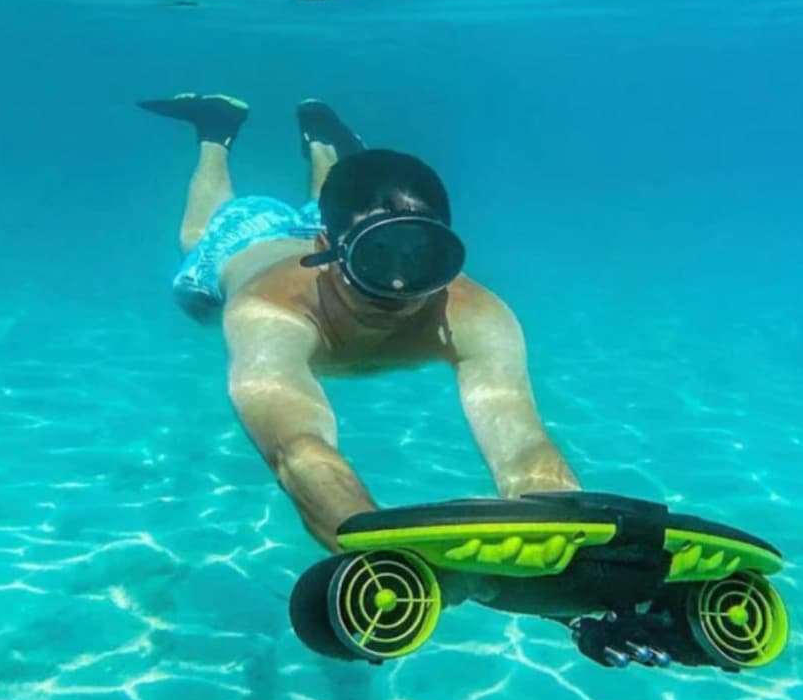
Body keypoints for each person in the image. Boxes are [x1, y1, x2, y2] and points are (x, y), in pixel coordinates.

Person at [139, 93, 582, 551]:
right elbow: (297, 449)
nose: (396, 284)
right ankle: (217, 131)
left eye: (419, 258)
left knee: (336, 209)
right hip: (249, 241)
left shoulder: (474, 311)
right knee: (196, 233)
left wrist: (565, 534)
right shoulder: (269, 310)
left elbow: (523, 446)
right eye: (375, 259)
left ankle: (321, 142)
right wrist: (379, 555)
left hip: (340, 229)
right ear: (325, 250)